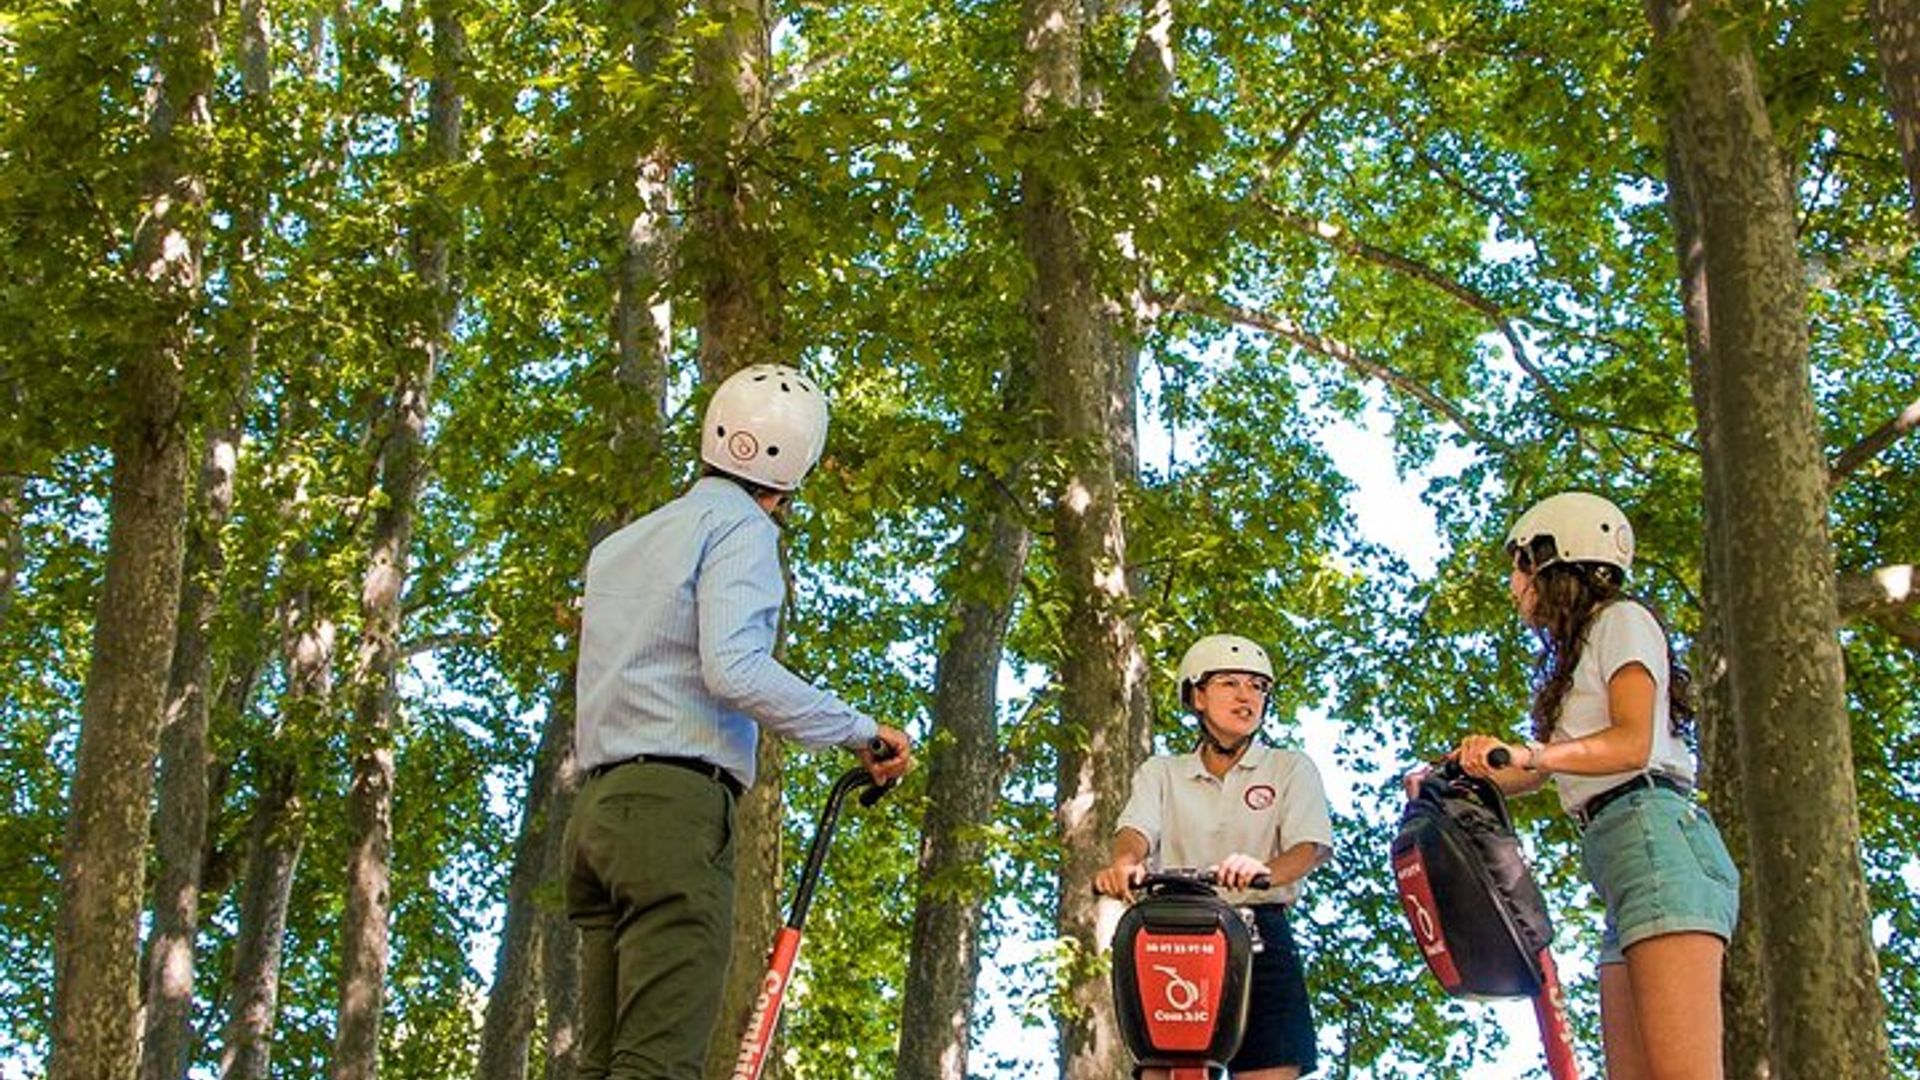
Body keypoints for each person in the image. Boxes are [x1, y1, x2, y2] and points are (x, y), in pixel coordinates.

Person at [564, 363, 914, 1080]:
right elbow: (735, 670)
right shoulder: (743, 531)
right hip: (675, 814)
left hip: (597, 819)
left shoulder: (621, 546)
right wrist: (861, 730)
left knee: (598, 1066)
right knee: (657, 1064)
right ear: (799, 466)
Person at [1450, 491, 1738, 1080]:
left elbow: (1630, 743)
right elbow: (1540, 770)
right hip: (1623, 859)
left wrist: (1534, 752)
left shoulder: (1622, 620)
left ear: (1555, 558)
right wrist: (1468, 774)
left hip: (1657, 841)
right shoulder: (1578, 654)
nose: (1513, 585)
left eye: (1519, 565)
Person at [1095, 633, 1334, 1080]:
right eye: (1230, 683)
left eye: (1258, 687)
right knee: (1161, 1069)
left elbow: (1309, 847)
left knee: (1270, 1068)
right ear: (1197, 695)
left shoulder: (1289, 767)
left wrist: (1264, 869)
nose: (1247, 696)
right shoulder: (1163, 773)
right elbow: (1135, 831)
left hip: (1260, 933)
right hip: (1173, 934)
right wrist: (1125, 864)